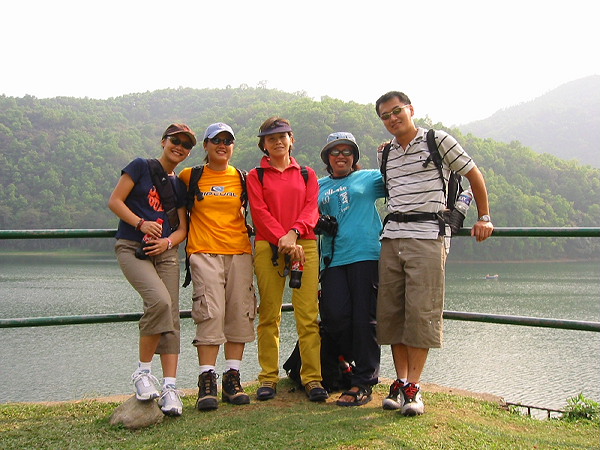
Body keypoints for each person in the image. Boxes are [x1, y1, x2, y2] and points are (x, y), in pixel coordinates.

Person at [375, 91, 494, 416]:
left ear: (410, 109)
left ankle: (414, 388)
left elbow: (474, 174)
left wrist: (484, 217)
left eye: (396, 111)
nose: (392, 118)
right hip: (392, 237)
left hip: (428, 237)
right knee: (392, 314)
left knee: (421, 312)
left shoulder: (436, 140)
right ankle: (399, 383)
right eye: (385, 116)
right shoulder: (385, 154)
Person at [108, 123, 195, 416]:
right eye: (175, 141)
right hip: (133, 247)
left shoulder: (179, 185)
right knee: (159, 302)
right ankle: (142, 373)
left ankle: (170, 388)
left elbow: (183, 228)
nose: (179, 147)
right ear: (163, 141)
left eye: (186, 144)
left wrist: (168, 241)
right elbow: (115, 201)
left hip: (166, 253)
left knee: (171, 316)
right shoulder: (140, 167)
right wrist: (140, 223)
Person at [246, 117, 328, 402]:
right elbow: (259, 212)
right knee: (269, 315)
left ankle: (312, 378)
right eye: (271, 138)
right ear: (264, 144)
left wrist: (293, 235)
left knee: (308, 315)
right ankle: (268, 377)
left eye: (283, 136)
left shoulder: (307, 174)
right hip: (269, 247)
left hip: (303, 245)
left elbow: (311, 209)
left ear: (292, 139)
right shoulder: (256, 176)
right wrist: (283, 239)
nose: (278, 141)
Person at [179, 123, 256, 411]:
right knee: (210, 313)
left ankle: (232, 379)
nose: (222, 145)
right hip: (204, 252)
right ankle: (206, 381)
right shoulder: (191, 176)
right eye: (216, 140)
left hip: (239, 253)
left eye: (228, 141)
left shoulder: (243, 178)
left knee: (240, 312)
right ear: (206, 146)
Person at [317, 132, 386, 407]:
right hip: (332, 259)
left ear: (354, 157)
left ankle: (363, 382)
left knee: (364, 319)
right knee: (334, 317)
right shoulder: (317, 185)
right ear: (328, 158)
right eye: (335, 152)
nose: (341, 156)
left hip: (366, 254)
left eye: (347, 151)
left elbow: (400, 182)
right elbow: (304, 214)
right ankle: (347, 363)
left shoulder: (369, 178)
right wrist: (318, 221)